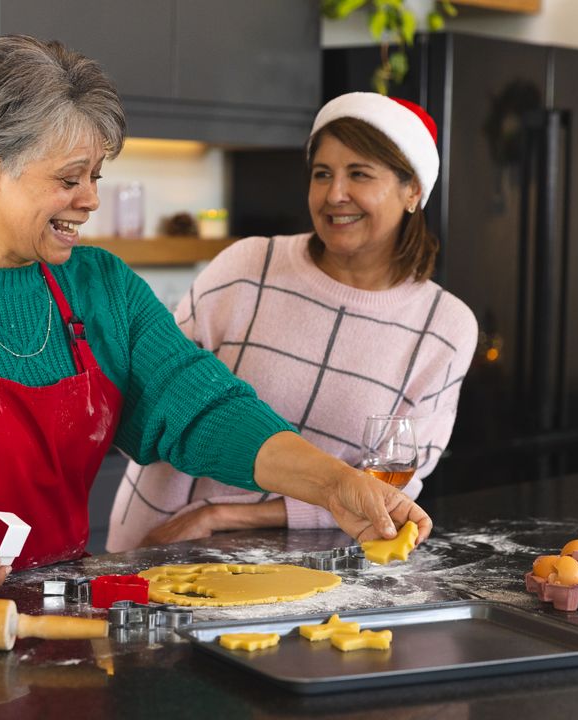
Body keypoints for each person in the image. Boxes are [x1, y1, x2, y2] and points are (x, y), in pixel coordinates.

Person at [0, 38, 432, 597]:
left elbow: (204, 408)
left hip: (62, 628)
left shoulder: (103, 289)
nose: (90, 200)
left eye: (97, 176)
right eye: (69, 179)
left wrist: (338, 483)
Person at [108, 92, 477, 551]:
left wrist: (221, 516)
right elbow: (156, 401)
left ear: (412, 191)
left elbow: (393, 487)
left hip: (298, 567)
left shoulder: (444, 328)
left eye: (359, 174)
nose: (334, 194)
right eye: (322, 174)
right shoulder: (246, 267)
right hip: (159, 542)